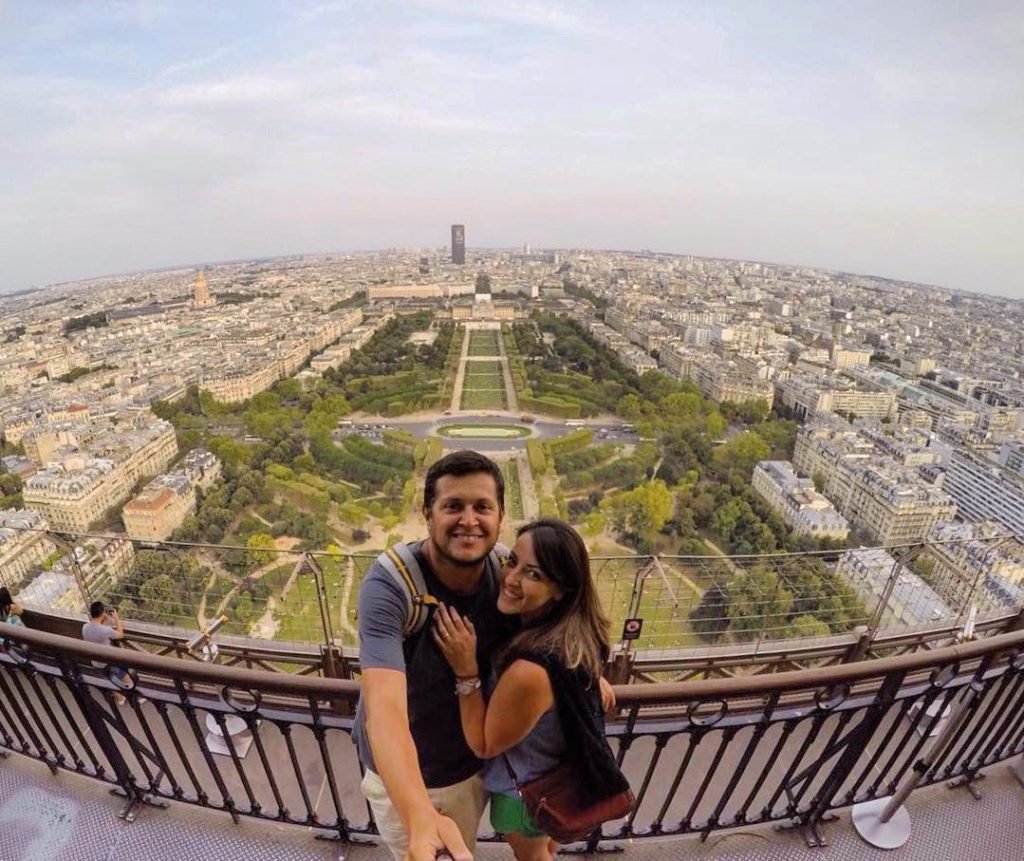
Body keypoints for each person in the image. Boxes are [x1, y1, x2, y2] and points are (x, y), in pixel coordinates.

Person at [353, 450, 512, 861]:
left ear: (501, 515)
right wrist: (419, 814)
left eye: (482, 507)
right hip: (403, 779)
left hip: (468, 768)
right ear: (427, 513)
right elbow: (383, 711)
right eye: (453, 506)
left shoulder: (506, 570)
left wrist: (583, 670)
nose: (469, 520)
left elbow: (555, 620)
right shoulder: (389, 585)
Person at [433, 518, 611, 861]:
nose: (511, 579)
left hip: (525, 797)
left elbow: (484, 744)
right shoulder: (572, 639)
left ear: (560, 590)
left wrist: (465, 670)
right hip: (560, 781)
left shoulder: (529, 671)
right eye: (512, 562)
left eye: (533, 574)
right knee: (546, 847)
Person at [82, 601, 136, 706]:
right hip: (109, 661)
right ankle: (133, 697)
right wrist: (116, 618)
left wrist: (103, 620)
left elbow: (95, 631)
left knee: (109, 678)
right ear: (102, 613)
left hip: (96, 662)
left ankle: (120, 698)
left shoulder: (85, 627)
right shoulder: (105, 630)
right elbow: (120, 634)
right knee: (127, 677)